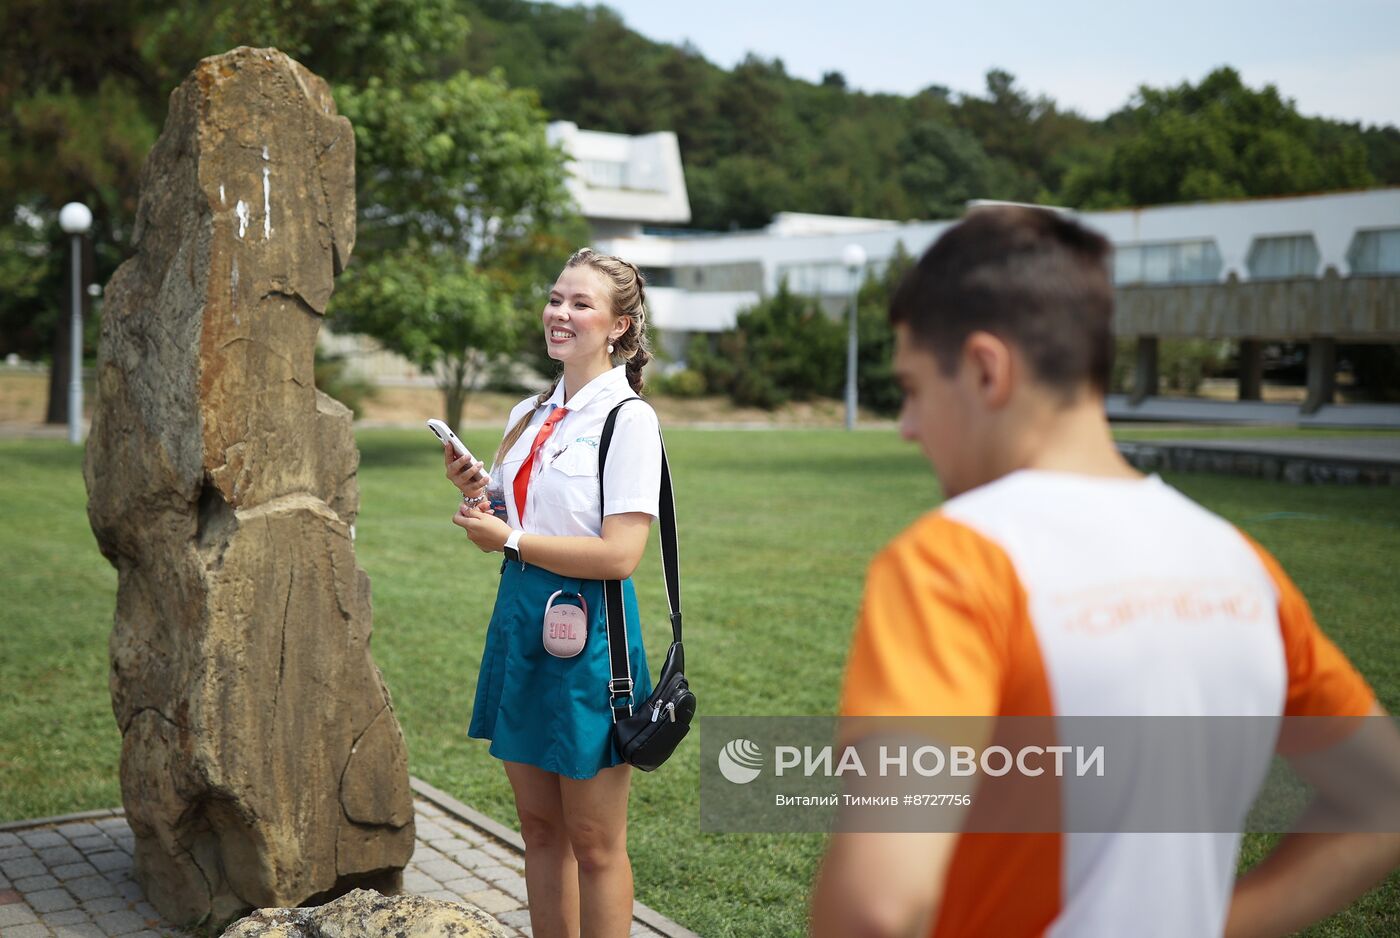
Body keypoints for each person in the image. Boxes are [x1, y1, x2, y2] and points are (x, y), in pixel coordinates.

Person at [809, 206, 1400, 937]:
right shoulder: (1240, 565)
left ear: (988, 369)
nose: (907, 425)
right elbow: (1383, 799)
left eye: (914, 389)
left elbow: (878, 905)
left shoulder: (953, 562)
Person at [444, 248, 662, 938]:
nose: (560, 313)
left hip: (591, 637)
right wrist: (481, 496)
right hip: (520, 622)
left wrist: (507, 541)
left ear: (620, 326)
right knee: (539, 830)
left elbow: (620, 556)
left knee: (595, 844)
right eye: (556, 298)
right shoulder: (529, 411)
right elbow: (522, 520)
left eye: (581, 304)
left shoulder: (629, 421)